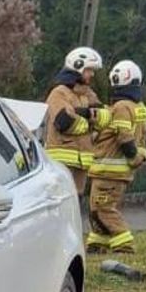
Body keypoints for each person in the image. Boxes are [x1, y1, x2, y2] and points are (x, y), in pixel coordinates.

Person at [85, 59, 146, 253]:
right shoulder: (139, 107)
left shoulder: (122, 106)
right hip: (115, 171)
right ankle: (97, 243)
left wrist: (134, 157)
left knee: (102, 208)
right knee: (96, 208)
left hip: (109, 171)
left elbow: (124, 137)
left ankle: (124, 244)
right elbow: (145, 137)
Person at [43, 47, 109, 203]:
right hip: (61, 165)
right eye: (89, 70)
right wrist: (89, 122)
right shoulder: (59, 93)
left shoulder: (88, 94)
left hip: (81, 166)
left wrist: (81, 114)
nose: (92, 74)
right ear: (78, 66)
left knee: (75, 209)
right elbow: (64, 122)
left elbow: (105, 117)